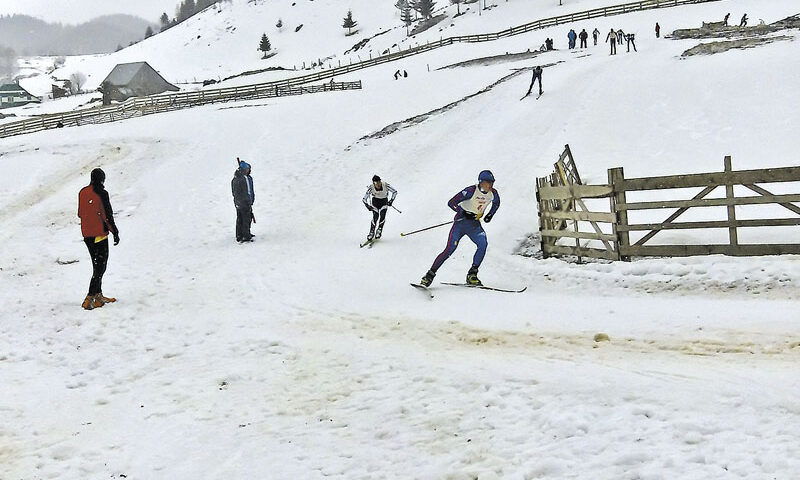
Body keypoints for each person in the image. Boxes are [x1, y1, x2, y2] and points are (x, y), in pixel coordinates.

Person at [420, 170, 500, 287]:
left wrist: (490, 215)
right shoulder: (470, 191)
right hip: (460, 223)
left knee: (483, 244)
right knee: (450, 249)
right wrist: (461, 211)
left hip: (474, 225)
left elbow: (496, 203)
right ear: (481, 182)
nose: (491, 185)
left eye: (492, 182)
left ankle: (472, 274)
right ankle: (429, 275)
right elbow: (451, 202)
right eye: (488, 182)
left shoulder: (493, 193)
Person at [77, 168, 120, 310]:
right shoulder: (102, 193)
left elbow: (80, 213)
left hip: (87, 235)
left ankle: (98, 295)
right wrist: (115, 232)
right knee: (100, 267)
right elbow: (107, 215)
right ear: (102, 179)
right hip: (99, 234)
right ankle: (90, 297)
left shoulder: (83, 192)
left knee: (97, 265)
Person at [362, 175, 397, 241]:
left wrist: (391, 200)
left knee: (382, 215)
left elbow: (395, 192)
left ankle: (379, 230)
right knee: (375, 217)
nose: (378, 184)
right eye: (376, 183)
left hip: (384, 201)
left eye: (379, 182)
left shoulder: (385, 185)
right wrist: (367, 206)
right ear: (373, 183)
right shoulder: (371, 187)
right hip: (375, 202)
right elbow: (364, 199)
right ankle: (371, 232)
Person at [231, 160, 255, 243]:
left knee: (240, 218)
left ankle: (239, 235)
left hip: (238, 202)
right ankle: (246, 235)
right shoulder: (245, 178)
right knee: (247, 219)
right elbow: (248, 191)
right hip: (245, 202)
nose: (249, 170)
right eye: (248, 169)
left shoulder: (235, 178)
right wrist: (249, 201)